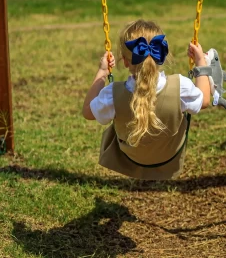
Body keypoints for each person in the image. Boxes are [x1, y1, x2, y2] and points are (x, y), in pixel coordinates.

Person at [82, 19, 211, 180]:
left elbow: (87, 112)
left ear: (125, 61)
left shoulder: (112, 95)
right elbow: (205, 100)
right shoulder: (181, 87)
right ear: (162, 55)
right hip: (169, 156)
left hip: (130, 158)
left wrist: (102, 73)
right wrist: (201, 62)